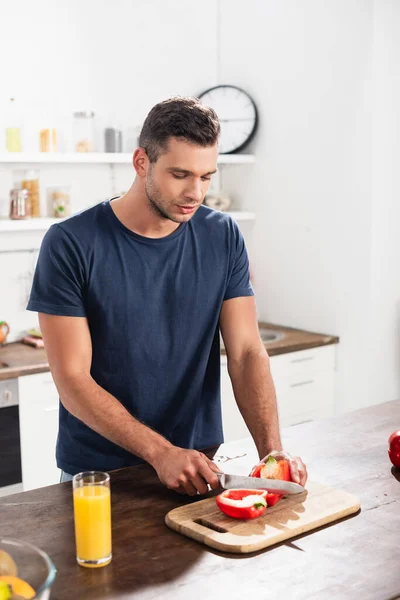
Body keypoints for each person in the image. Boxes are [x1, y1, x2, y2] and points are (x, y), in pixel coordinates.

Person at [27, 96, 307, 495]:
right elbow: (72, 379)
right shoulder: (71, 243)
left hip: (199, 469)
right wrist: (161, 452)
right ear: (142, 162)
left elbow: (245, 353)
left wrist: (273, 455)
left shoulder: (222, 237)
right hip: (100, 479)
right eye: (180, 174)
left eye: (207, 176)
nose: (196, 192)